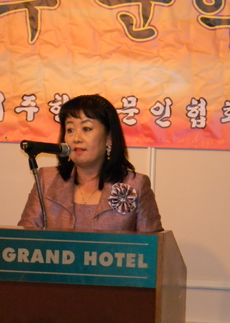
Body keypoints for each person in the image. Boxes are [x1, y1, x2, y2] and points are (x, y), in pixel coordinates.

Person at [18, 94, 163, 232]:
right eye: (70, 130)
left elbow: (154, 245)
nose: (76, 138)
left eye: (86, 129)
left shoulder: (136, 185)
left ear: (108, 137)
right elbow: (24, 240)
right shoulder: (46, 180)